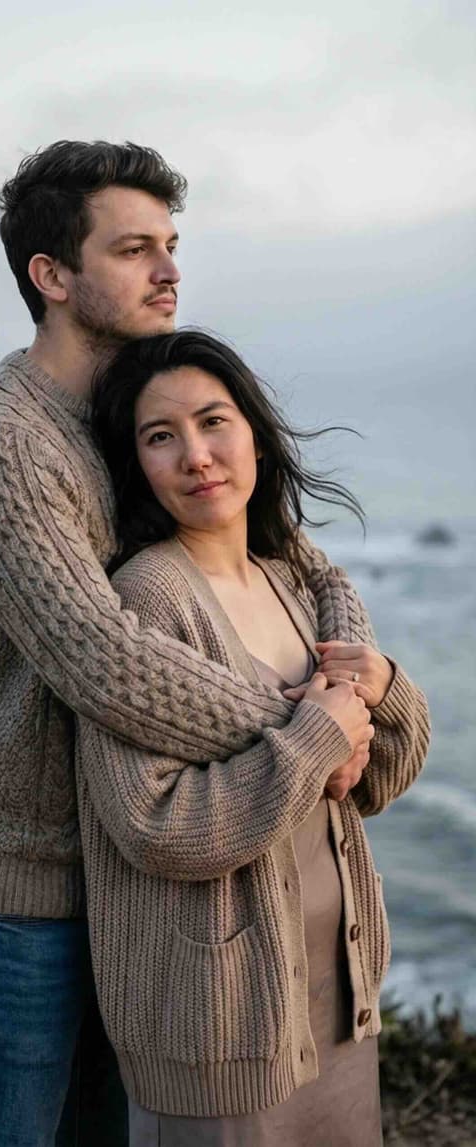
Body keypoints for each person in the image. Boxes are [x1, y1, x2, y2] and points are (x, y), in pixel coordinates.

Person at [0, 140, 403, 1147]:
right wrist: (314, 727)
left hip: (133, 894)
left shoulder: (131, 412)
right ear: (51, 276)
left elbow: (303, 562)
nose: (169, 269)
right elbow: (102, 656)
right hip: (20, 891)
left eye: (170, 244)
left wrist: (352, 676)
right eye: (135, 248)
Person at [75, 329, 430, 1147]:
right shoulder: (147, 600)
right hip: (218, 1022)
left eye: (213, 422)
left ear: (257, 438)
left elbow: (376, 778)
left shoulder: (294, 581)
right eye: (161, 437)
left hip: (336, 1004)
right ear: (138, 464)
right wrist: (311, 740)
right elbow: (152, 823)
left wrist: (384, 686)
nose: (196, 455)